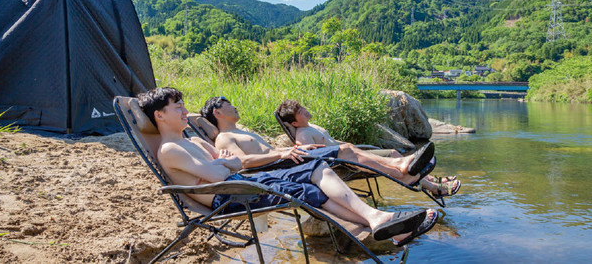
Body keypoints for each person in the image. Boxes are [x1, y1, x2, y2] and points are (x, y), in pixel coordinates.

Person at [138, 87, 437, 246]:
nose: (185, 111)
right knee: (308, 189)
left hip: (241, 182)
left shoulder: (194, 143)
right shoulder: (171, 149)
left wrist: (227, 164)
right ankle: (383, 223)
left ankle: (380, 222)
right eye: (178, 107)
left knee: (317, 169)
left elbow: (231, 163)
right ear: (160, 116)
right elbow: (220, 172)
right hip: (232, 196)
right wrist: (226, 164)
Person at [202, 97, 435, 187]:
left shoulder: (243, 132)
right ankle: (400, 171)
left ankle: (400, 168)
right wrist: (281, 154)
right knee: (344, 150)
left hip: (288, 159)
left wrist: (292, 149)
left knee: (347, 148)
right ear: (217, 112)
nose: (235, 105)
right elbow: (242, 162)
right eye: (228, 104)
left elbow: (271, 151)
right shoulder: (225, 137)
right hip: (277, 169)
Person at [276, 99, 461, 197]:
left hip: (352, 152)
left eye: (302, 107)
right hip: (345, 163)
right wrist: (302, 147)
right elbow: (304, 151)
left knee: (393, 152)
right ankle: (433, 187)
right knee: (397, 165)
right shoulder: (303, 135)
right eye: (300, 112)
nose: (305, 110)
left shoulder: (311, 126)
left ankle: (425, 177)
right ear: (294, 122)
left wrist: (353, 147)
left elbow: (332, 142)